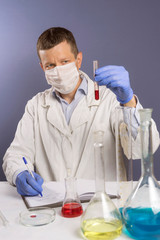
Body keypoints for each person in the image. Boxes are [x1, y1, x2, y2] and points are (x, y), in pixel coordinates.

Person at [3, 27, 160, 196]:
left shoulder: (110, 99)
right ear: (42, 67)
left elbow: (143, 148)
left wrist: (129, 101)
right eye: (50, 65)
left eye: (64, 62)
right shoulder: (35, 106)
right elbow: (16, 154)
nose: (58, 71)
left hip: (105, 204)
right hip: (55, 206)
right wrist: (19, 172)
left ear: (78, 60)